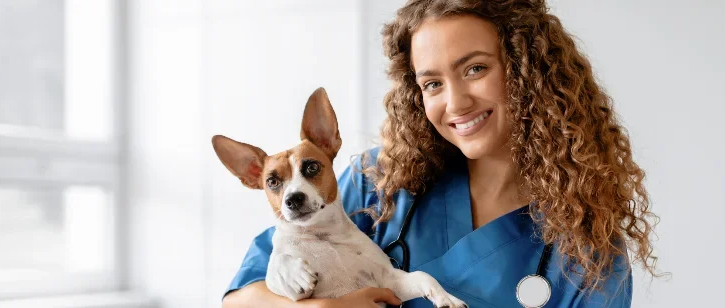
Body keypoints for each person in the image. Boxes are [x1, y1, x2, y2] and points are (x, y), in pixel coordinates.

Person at [221, 0, 660, 307]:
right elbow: (242, 297)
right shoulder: (375, 183)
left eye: (475, 69)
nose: (456, 103)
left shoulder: (588, 251)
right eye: (432, 83)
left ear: (529, 71)